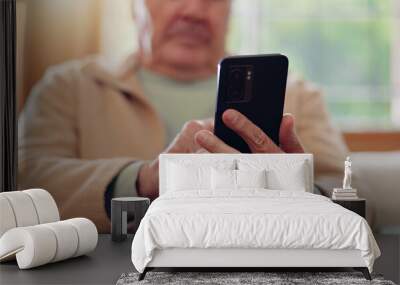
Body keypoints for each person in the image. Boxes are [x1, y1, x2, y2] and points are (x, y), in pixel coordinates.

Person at [18, 0, 348, 232]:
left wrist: (295, 190)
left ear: (231, 9)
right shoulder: (68, 88)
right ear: (135, 6)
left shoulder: (299, 97)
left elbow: (355, 200)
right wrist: (143, 181)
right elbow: (22, 183)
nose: (192, 10)